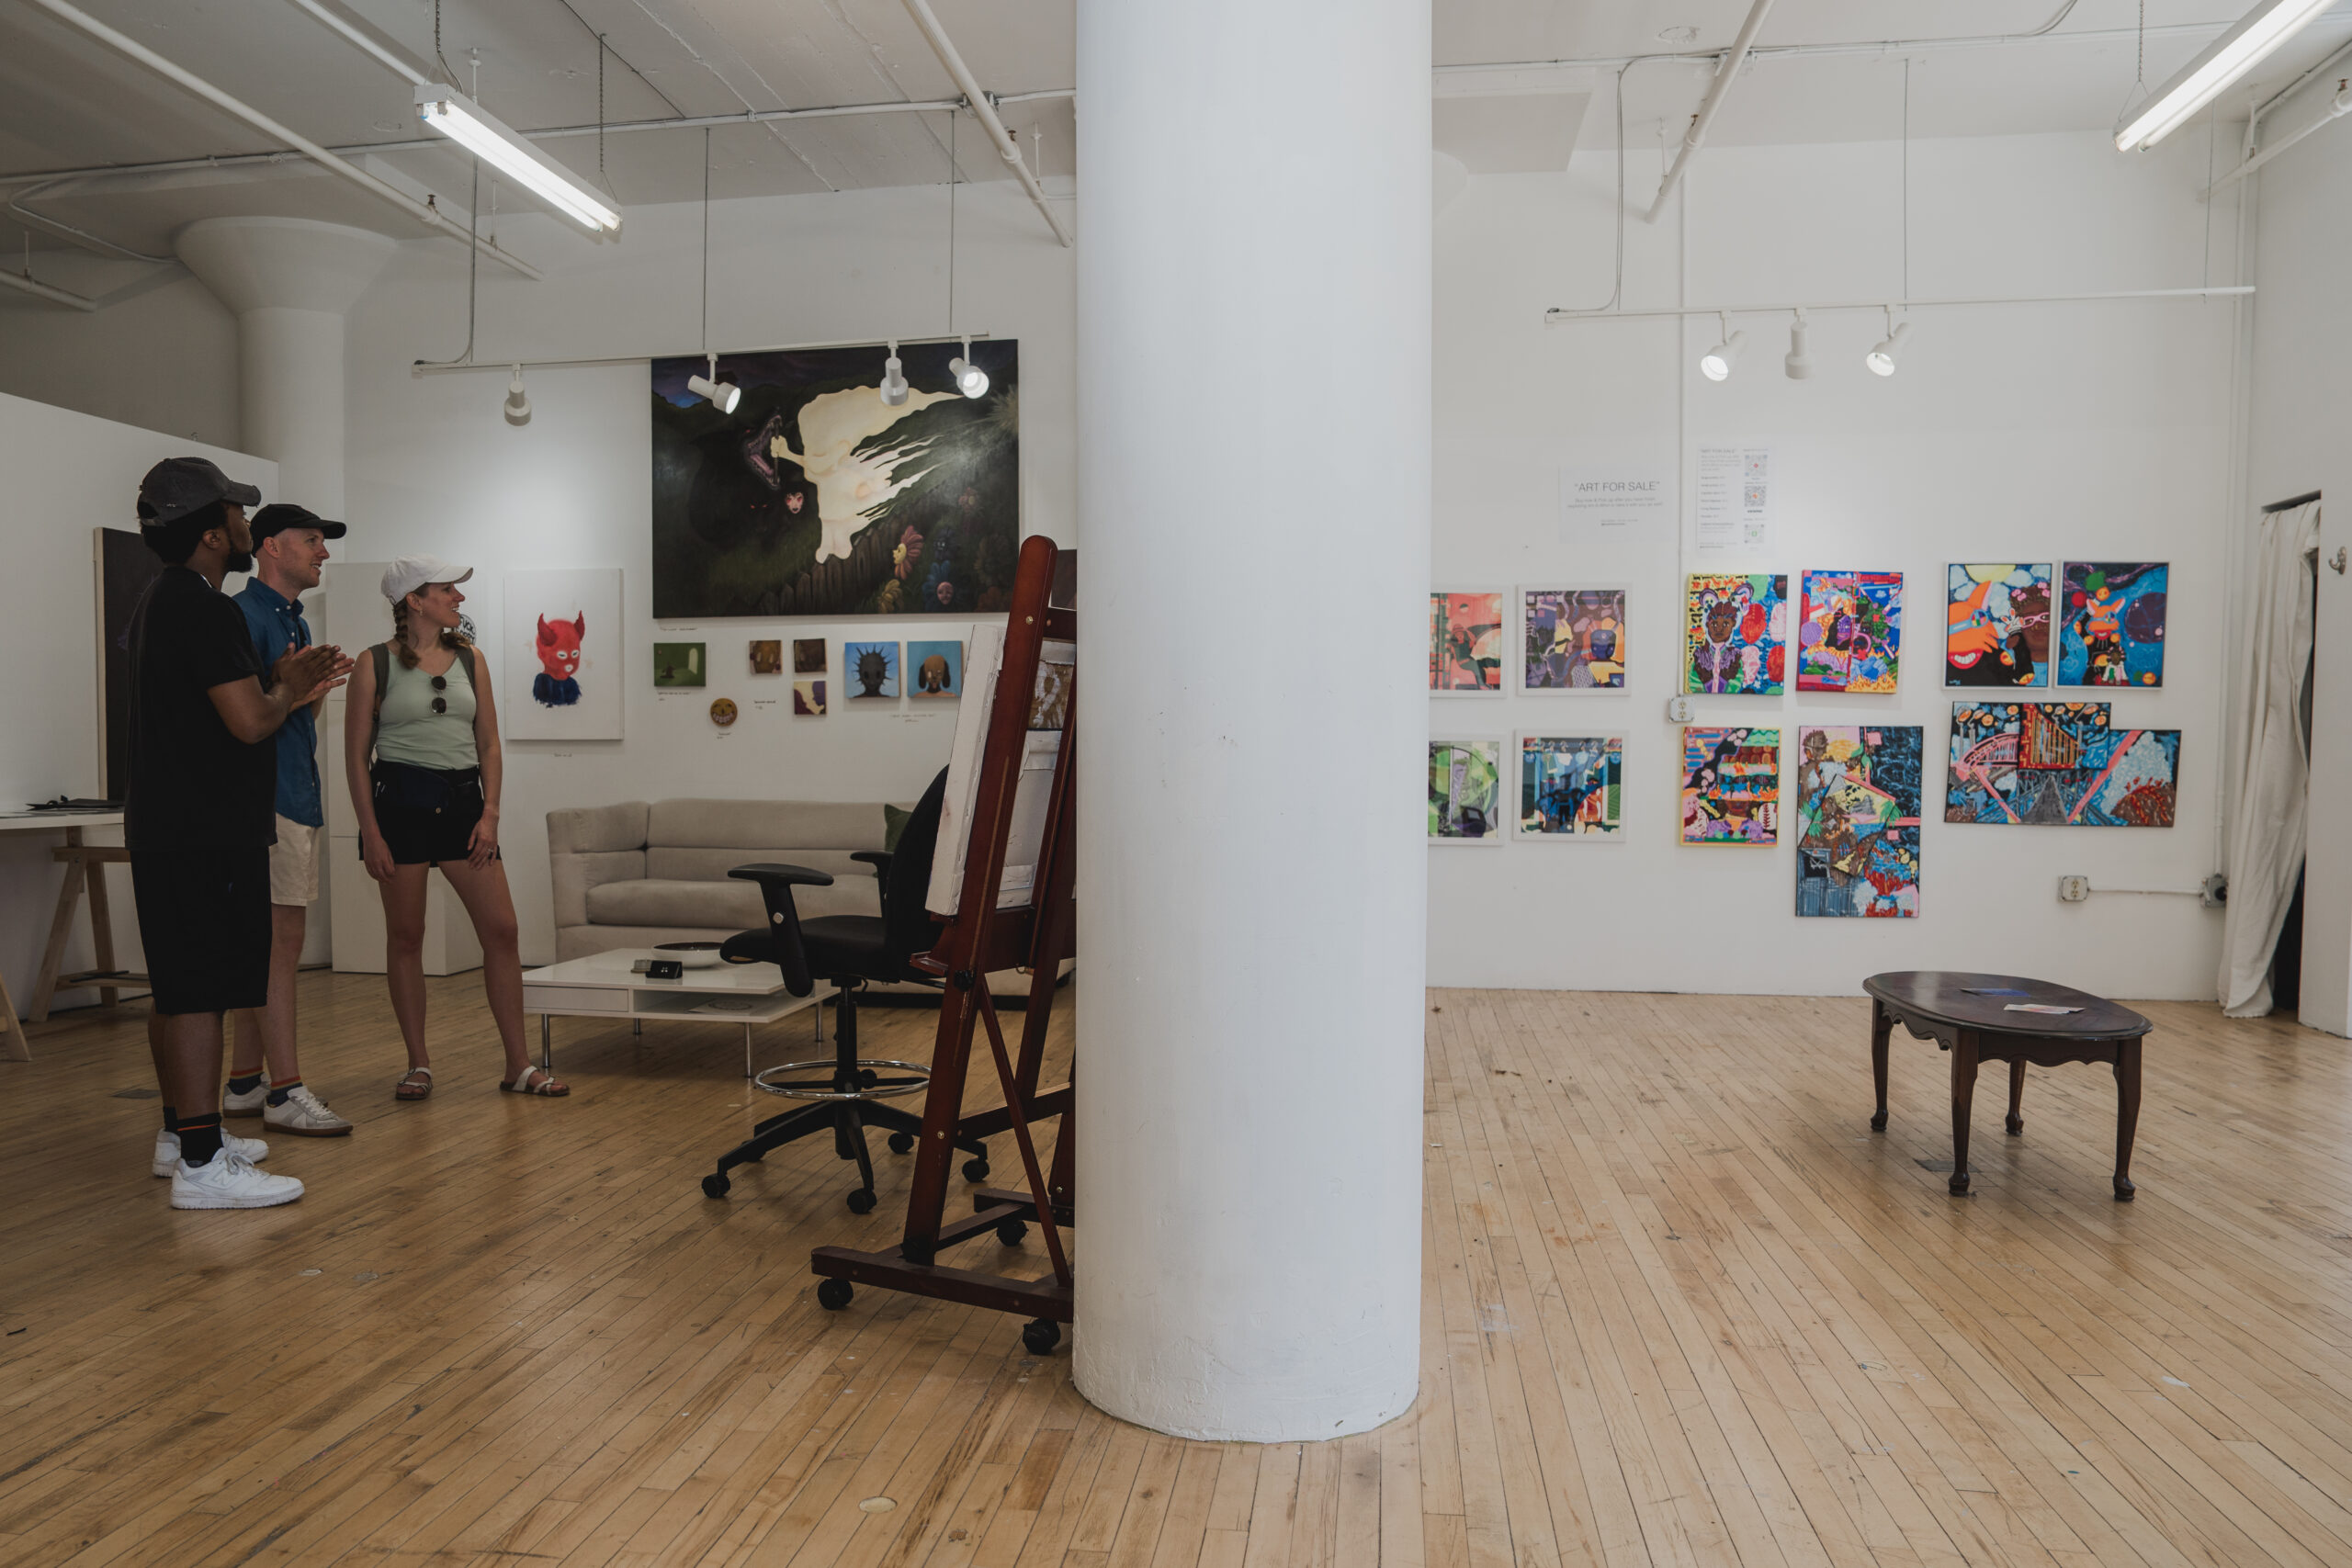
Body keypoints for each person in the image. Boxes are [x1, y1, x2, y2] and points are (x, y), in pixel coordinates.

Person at [125, 457, 350, 1209]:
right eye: (235, 511)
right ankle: (199, 1161)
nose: (243, 522)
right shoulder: (205, 608)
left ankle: (180, 1136)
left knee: (176, 985)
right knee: (199, 993)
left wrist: (290, 686)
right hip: (204, 829)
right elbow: (250, 720)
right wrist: (290, 685)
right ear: (215, 532)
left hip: (169, 821)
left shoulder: (160, 598)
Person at [344, 557, 566, 1100]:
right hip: (400, 806)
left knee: (503, 931)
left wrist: (490, 814)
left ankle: (519, 1065)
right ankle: (418, 1063)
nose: (458, 599)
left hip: (465, 806)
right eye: (447, 590)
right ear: (414, 600)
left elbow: (489, 743)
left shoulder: (472, 659)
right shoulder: (374, 664)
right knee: (406, 937)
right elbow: (355, 757)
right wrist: (371, 833)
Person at [225, 503, 355, 1137]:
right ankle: (285, 1089)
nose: (322, 552)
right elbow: (243, 717)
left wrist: (308, 693)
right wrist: (297, 692)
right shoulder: (245, 617)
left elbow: (281, 710)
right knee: (280, 947)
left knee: (265, 945)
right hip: (269, 800)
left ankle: (246, 1080)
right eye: (312, 541)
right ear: (271, 547)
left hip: (292, 795)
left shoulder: (291, 620)